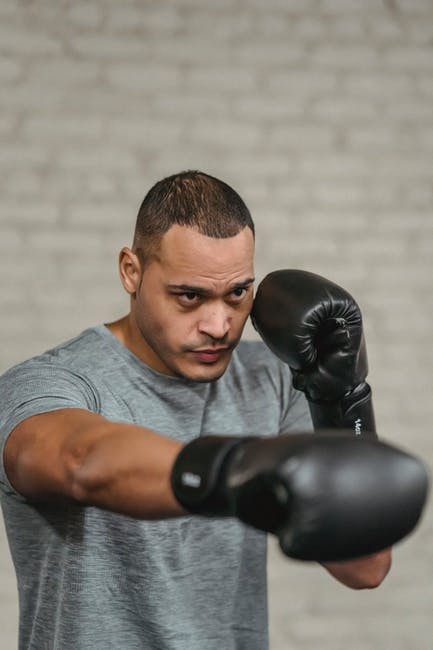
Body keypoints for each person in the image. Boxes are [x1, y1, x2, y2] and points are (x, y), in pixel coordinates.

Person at [0, 171, 393, 649]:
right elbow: (80, 461)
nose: (218, 325)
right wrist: (240, 471)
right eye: (189, 296)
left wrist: (342, 399)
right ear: (131, 271)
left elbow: (364, 568)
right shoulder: (51, 383)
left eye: (236, 294)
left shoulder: (271, 380)